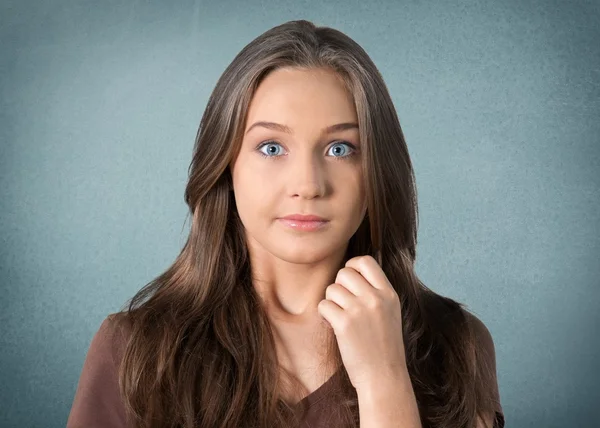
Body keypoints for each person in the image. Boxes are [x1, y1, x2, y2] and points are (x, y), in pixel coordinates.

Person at [66, 19, 504, 428]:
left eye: (340, 149)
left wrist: (385, 380)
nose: (308, 185)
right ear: (225, 166)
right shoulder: (133, 352)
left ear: (377, 171)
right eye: (272, 147)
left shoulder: (457, 346)